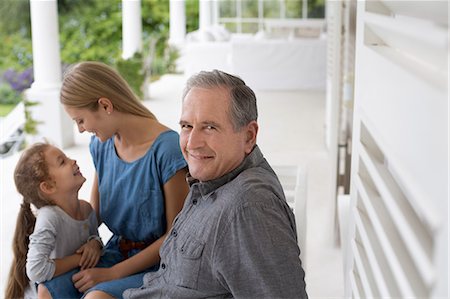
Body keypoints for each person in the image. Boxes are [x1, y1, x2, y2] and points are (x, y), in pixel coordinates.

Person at [124, 70, 308, 298]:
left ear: (249, 136)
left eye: (210, 127)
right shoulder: (213, 179)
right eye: (186, 126)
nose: (192, 143)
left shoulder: (248, 209)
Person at [59, 61, 189, 299]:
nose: (80, 130)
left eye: (80, 120)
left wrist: (112, 274)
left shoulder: (168, 150)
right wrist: (92, 242)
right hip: (116, 252)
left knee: (95, 297)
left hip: (156, 266)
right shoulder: (102, 144)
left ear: (105, 105)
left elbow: (174, 237)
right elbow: (95, 213)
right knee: (50, 286)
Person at [5, 142, 102, 299]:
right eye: (62, 162)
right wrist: (79, 259)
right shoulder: (50, 217)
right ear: (48, 187)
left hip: (75, 279)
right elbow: (36, 269)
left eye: (67, 157)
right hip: (50, 288)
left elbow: (94, 236)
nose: (73, 161)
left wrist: (94, 244)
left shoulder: (86, 209)